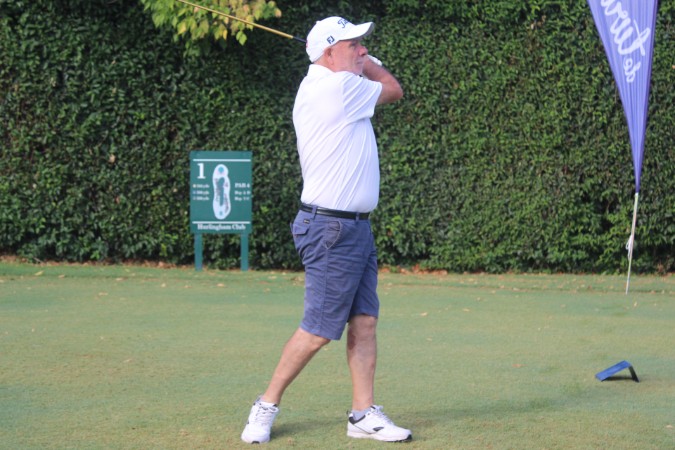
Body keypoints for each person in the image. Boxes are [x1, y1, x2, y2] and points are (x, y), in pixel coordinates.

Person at [241, 16, 410, 444]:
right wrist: (370, 65)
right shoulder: (337, 88)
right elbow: (394, 89)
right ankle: (265, 406)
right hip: (332, 228)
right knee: (318, 330)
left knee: (365, 322)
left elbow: (375, 80)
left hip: (353, 228)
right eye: (354, 45)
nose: (362, 50)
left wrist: (360, 62)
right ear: (330, 53)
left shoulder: (330, 82)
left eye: (362, 44)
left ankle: (362, 415)